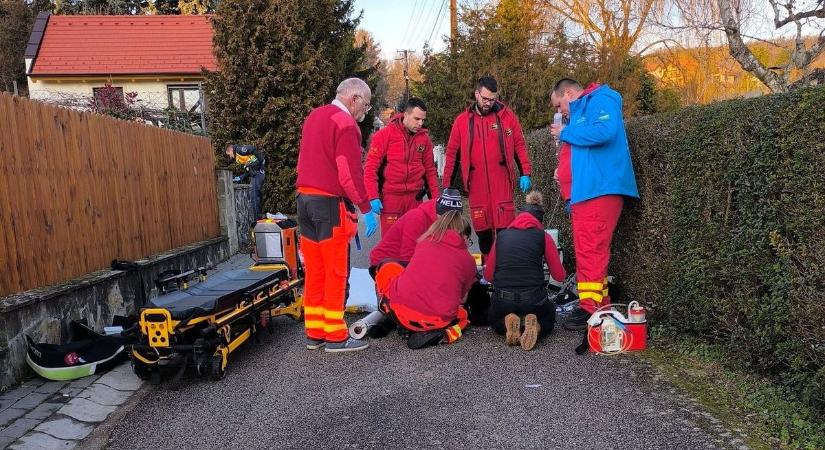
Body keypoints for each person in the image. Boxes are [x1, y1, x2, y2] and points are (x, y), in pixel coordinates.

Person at [549, 78, 639, 354]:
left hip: (598, 191)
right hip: (589, 192)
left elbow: (604, 132)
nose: (561, 111)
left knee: (591, 251)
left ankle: (592, 309)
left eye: (559, 105)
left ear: (569, 94)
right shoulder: (584, 110)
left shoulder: (601, 99)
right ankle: (596, 305)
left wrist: (565, 132)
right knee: (589, 251)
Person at [295, 77, 378, 353]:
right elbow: (348, 173)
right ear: (353, 98)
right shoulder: (345, 125)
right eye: (364, 106)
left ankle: (315, 332)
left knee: (315, 270)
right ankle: (335, 335)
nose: (363, 113)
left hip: (304, 201)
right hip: (329, 205)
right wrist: (365, 208)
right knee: (335, 271)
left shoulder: (314, 117)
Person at [443, 75, 533, 260]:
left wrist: (525, 172)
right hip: (477, 186)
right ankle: (487, 273)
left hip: (502, 184)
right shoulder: (462, 121)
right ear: (476, 94)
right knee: (484, 235)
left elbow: (519, 145)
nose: (488, 103)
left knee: (506, 233)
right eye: (485, 99)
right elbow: (452, 154)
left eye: (492, 100)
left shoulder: (507, 117)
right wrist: (447, 186)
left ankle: (505, 272)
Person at [373, 210, 478, 349]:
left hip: (399, 312)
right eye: (468, 238)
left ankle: (389, 312)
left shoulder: (424, 242)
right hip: (436, 320)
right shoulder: (468, 261)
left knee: (388, 266)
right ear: (463, 235)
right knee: (464, 316)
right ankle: (445, 335)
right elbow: (462, 298)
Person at [483, 191, 566, 351]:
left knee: (493, 318)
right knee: (549, 316)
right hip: (534, 300)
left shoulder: (501, 236)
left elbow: (488, 276)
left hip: (503, 300)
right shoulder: (544, 237)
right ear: (539, 220)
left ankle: (508, 321)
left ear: (518, 216)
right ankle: (537, 326)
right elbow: (559, 275)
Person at [364, 97, 440, 236]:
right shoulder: (385, 135)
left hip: (414, 200)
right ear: (406, 115)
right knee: (391, 247)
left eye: (423, 120)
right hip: (391, 200)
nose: (420, 123)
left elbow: (430, 172)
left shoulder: (424, 140)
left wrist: (436, 200)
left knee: (413, 245)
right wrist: (372, 196)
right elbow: (370, 168)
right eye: (417, 119)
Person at [368, 188, 463, 277]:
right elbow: (408, 256)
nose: (449, 225)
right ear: (441, 214)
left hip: (405, 260)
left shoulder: (438, 220)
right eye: (449, 221)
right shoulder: (417, 218)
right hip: (384, 263)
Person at [225, 144, 265, 222]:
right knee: (256, 196)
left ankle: (257, 221)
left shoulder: (239, 150)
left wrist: (259, 161)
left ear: (230, 150)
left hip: (258, 172)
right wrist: (239, 178)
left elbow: (252, 148)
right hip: (255, 174)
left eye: (229, 154)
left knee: (253, 196)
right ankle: (259, 219)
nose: (230, 157)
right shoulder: (239, 158)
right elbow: (248, 171)